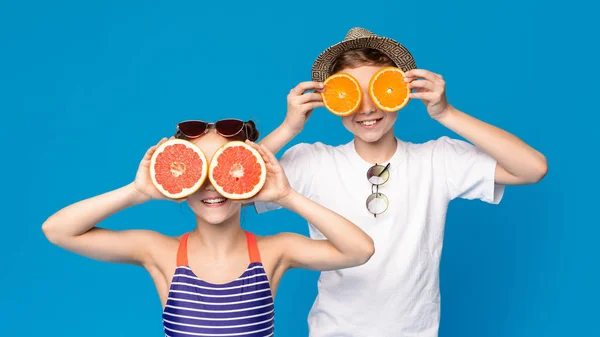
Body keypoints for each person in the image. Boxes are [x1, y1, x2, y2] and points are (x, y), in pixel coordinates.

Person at [255, 27, 548, 337]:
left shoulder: (437, 160)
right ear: (333, 101)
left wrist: (446, 113)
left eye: (378, 90)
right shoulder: (313, 162)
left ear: (401, 93)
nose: (367, 108)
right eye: (353, 94)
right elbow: (231, 188)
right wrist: (288, 128)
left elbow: (532, 169)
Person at [41, 118, 375, 337]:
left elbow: (359, 250)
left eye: (225, 170)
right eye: (198, 172)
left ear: (247, 176)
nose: (212, 186)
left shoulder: (275, 250)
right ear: (179, 182)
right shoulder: (160, 252)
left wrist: (285, 195)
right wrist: (137, 192)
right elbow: (58, 230)